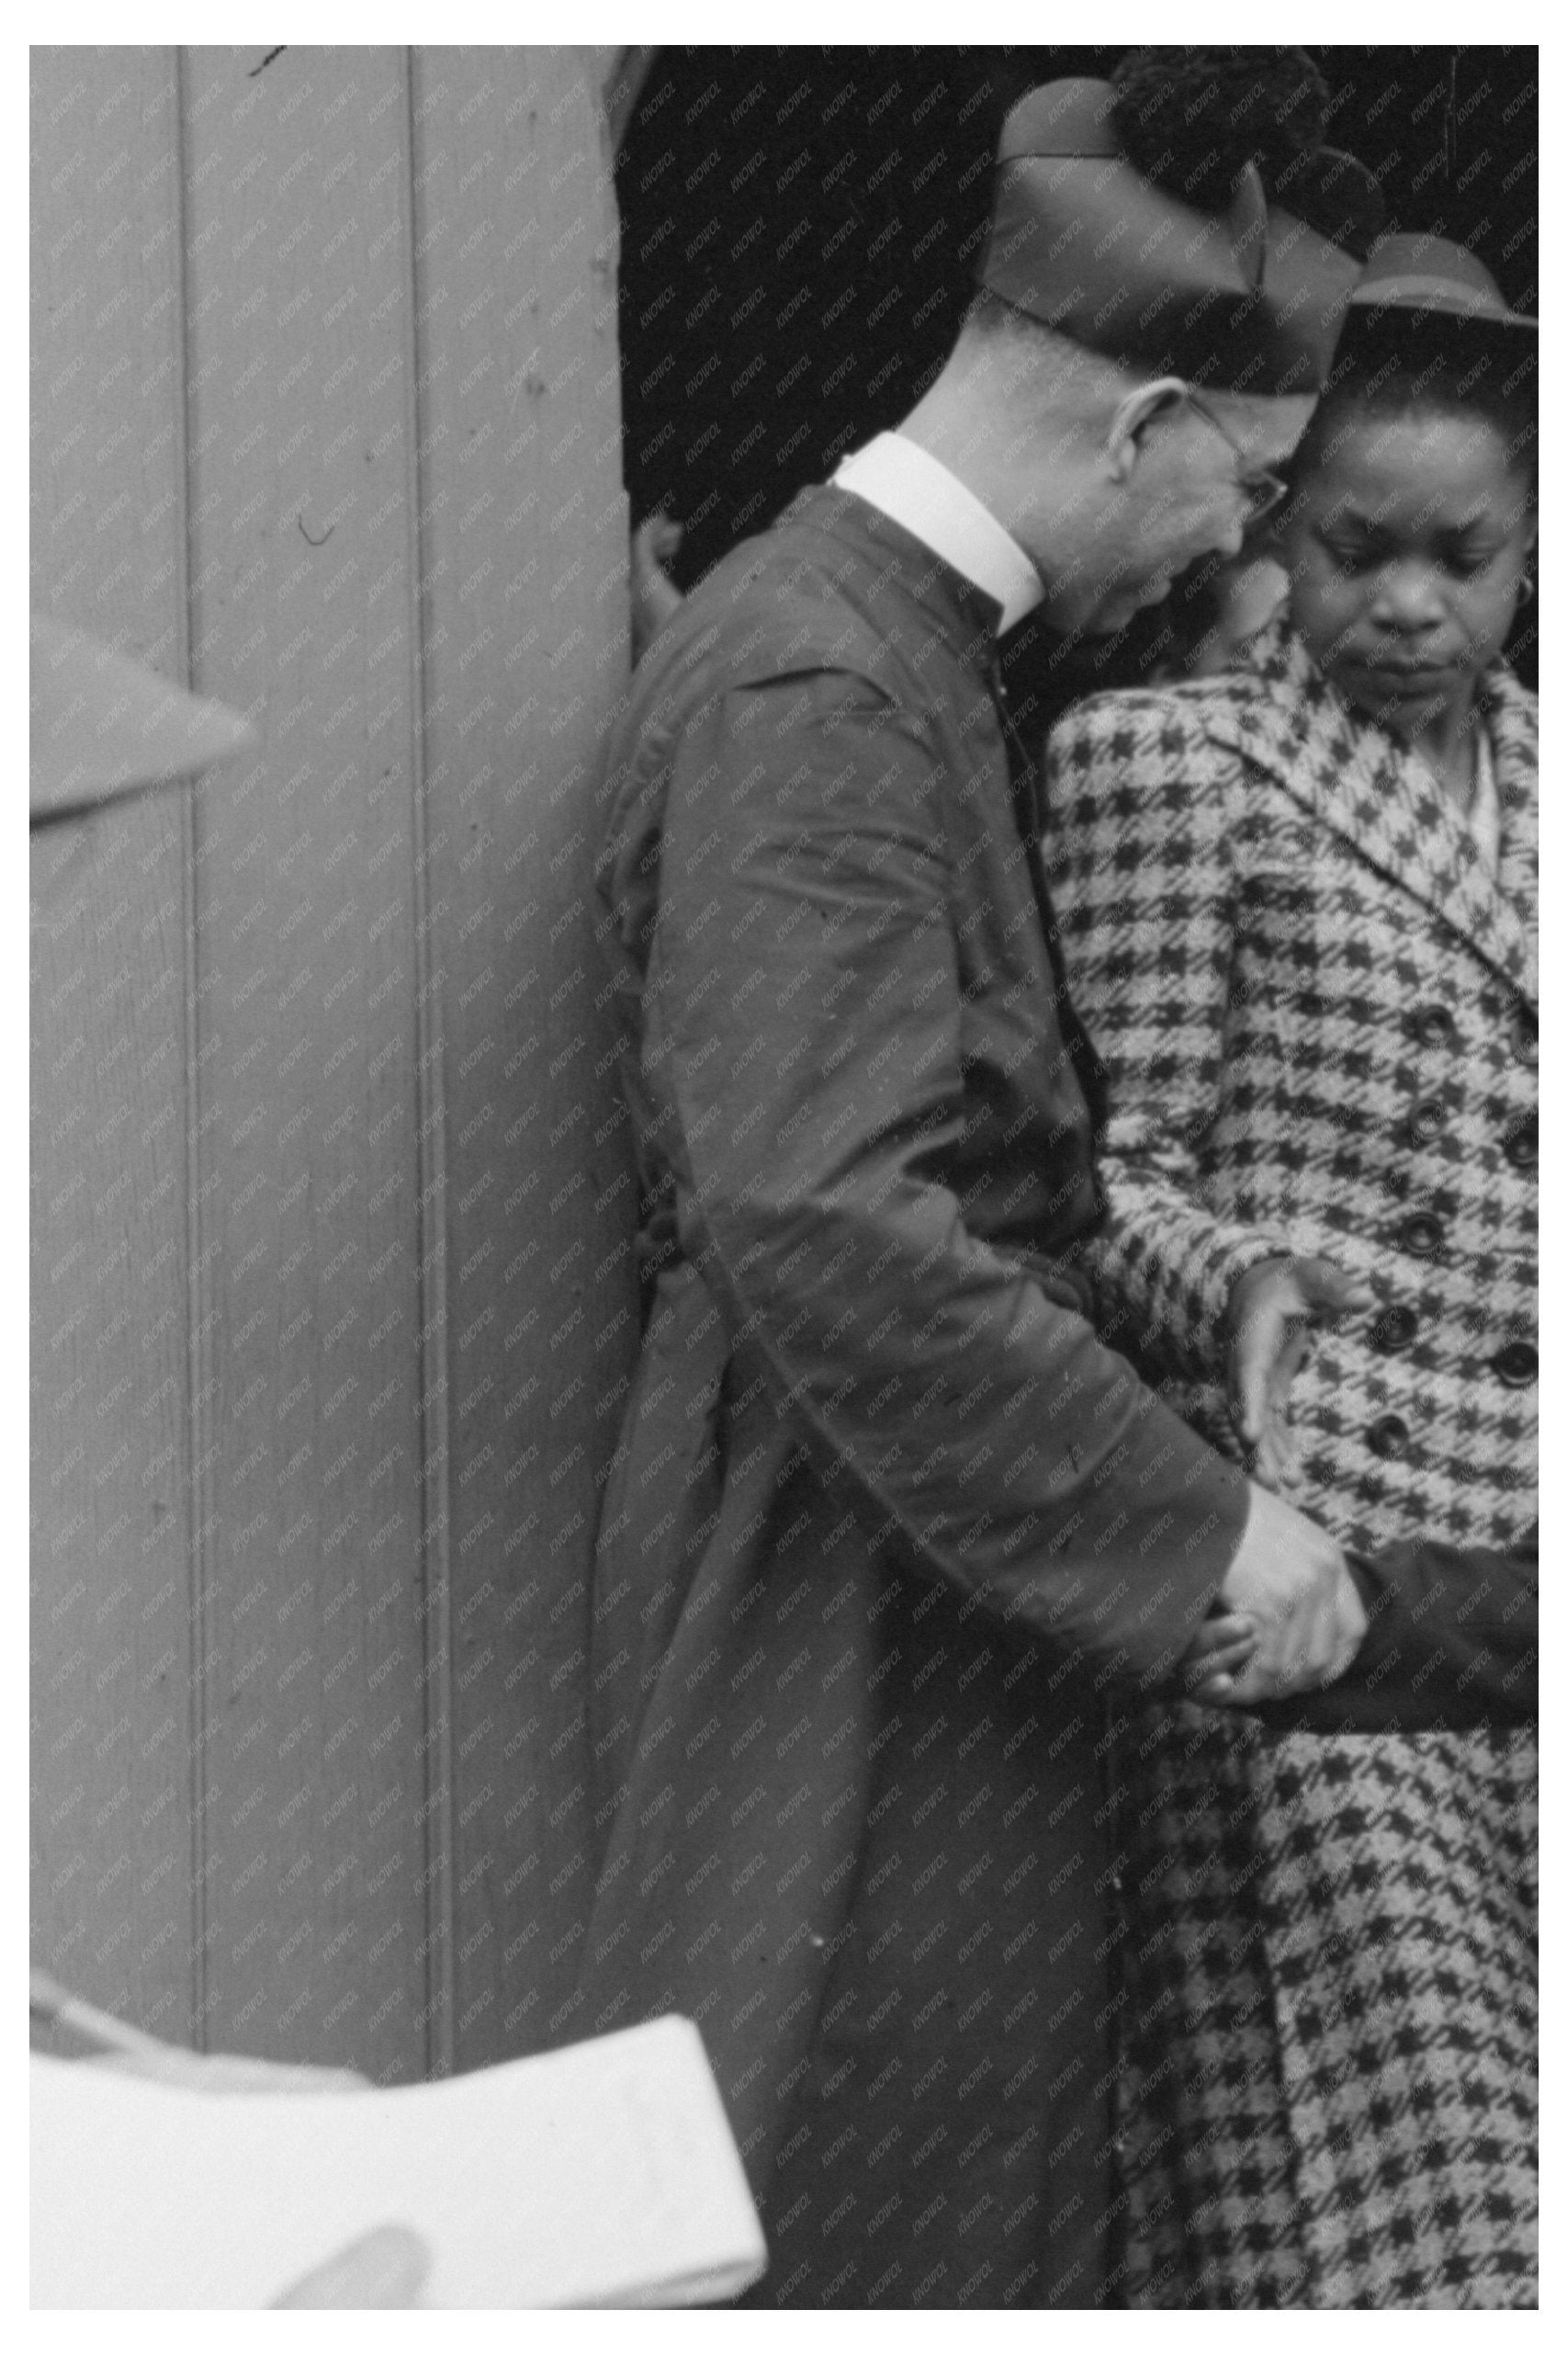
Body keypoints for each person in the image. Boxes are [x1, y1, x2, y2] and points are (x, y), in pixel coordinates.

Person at [571, 72, 1380, 2311]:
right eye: (1249, 479)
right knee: (847, 2210)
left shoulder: (881, 645)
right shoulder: (824, 677)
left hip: (918, 1537)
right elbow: (824, 1214)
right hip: (833, 1568)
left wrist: (1153, 1308)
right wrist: (1200, 1527)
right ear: (1137, 427)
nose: (1239, 551)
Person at [1042, 236, 1538, 2306]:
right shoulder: (1161, 763)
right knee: (1419, 2160)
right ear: (1272, 523)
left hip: (1539, 1530)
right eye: (1351, 550)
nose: (1405, 605)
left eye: (1463, 555)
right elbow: (1105, 1172)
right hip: (1323, 1533)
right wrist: (1231, 1268)